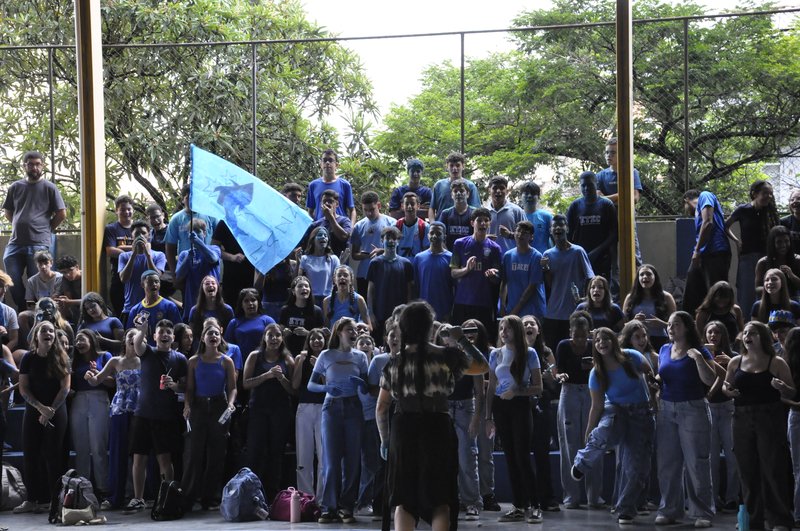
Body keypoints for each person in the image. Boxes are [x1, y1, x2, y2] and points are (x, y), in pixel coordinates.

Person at [376, 302, 489, 531]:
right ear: (430, 327)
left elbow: (382, 407)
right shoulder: (446, 356)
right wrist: (461, 339)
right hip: (437, 427)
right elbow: (482, 366)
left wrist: (386, 440)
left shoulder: (394, 363)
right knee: (440, 497)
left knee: (404, 499)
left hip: (403, 429)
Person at [571, 327, 655, 525]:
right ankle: (582, 462)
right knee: (603, 431)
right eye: (598, 340)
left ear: (613, 340)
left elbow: (650, 375)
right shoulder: (596, 373)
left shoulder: (631, 357)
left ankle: (626, 509)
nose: (602, 343)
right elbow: (597, 406)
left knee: (638, 468)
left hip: (641, 413)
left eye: (605, 339)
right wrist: (588, 430)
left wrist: (654, 398)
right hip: (615, 409)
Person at [723, 321, 795, 531]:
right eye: (745, 332)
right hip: (742, 419)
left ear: (762, 336)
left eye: (752, 333)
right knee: (747, 470)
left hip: (769, 417)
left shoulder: (776, 362)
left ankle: (780, 519)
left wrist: (782, 388)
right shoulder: (736, 362)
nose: (747, 336)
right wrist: (728, 390)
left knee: (773, 468)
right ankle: (753, 519)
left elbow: (791, 392)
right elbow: (728, 386)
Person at [654, 311, 718, 528]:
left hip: (693, 408)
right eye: (669, 324)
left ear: (688, 327)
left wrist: (699, 358)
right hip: (666, 408)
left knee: (697, 463)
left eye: (676, 324)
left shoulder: (699, 351)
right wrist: (656, 381)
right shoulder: (664, 349)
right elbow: (663, 375)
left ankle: (702, 512)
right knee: (667, 463)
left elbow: (710, 379)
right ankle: (670, 509)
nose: (671, 328)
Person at [308, 317, 368, 524]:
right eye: (349, 329)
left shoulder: (360, 357)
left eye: (355, 330)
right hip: (331, 407)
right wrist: (326, 388)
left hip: (353, 407)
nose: (353, 333)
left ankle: (347, 507)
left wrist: (361, 383)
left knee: (352, 461)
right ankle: (329, 508)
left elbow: (367, 386)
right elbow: (311, 385)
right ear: (339, 332)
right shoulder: (326, 355)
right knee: (331, 461)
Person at [485, 315, 544, 524]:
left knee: (522, 456)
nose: (503, 332)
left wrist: (518, 391)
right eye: (501, 328)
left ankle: (535, 505)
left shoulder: (529, 353)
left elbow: (538, 387)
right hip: (501, 407)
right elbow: (491, 387)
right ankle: (519, 505)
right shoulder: (495, 354)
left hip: (519, 405)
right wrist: (487, 416)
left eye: (507, 329)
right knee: (510, 457)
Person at [126, 317, 187, 514]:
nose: (165, 335)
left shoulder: (180, 359)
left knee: (165, 460)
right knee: (139, 458)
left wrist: (174, 385)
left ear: (173, 337)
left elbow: (185, 386)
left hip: (165, 416)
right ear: (155, 336)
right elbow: (136, 344)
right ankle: (138, 498)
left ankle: (167, 495)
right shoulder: (147, 352)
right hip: (142, 414)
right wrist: (142, 329)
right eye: (161, 332)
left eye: (168, 332)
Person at [13, 320, 70, 514]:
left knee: (53, 456)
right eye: (44, 330)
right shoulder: (28, 358)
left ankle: (54, 500)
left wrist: (50, 410)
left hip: (56, 410)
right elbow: (23, 387)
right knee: (30, 454)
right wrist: (40, 408)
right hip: (34, 410)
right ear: (36, 336)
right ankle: (32, 499)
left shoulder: (62, 357)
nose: (48, 333)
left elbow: (65, 388)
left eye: (51, 331)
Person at [182, 318, 237, 511]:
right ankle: (188, 497)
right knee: (194, 453)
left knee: (216, 454)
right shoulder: (194, 361)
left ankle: (210, 498)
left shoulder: (226, 361)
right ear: (203, 338)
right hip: (198, 407)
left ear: (220, 337)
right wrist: (187, 405)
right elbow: (189, 388)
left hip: (218, 406)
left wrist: (230, 404)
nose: (213, 336)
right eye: (209, 333)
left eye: (216, 333)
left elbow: (232, 388)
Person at [83, 328, 140, 510]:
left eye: (136, 335)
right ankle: (115, 496)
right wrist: (90, 376)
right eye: (130, 335)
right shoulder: (116, 361)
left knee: (140, 454)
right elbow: (97, 380)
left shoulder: (145, 360)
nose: (133, 338)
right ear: (124, 341)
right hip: (120, 410)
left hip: (141, 410)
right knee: (118, 453)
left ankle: (141, 495)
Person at [3, 151, 67, 309]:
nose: (34, 167)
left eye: (38, 164)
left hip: (39, 243)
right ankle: (23, 308)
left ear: (43, 166)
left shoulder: (49, 187)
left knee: (36, 279)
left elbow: (61, 213)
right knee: (11, 280)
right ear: (24, 166)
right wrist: (19, 224)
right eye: (30, 164)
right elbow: (8, 211)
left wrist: (47, 228)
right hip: (15, 242)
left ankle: (38, 313)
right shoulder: (15, 187)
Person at [554, 310, 604, 509]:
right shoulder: (564, 346)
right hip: (570, 391)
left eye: (584, 336)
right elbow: (558, 369)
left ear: (589, 333)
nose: (581, 340)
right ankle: (571, 496)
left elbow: (605, 369)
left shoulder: (595, 346)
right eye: (576, 336)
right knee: (569, 444)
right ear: (570, 332)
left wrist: (594, 366)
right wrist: (561, 376)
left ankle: (594, 496)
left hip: (592, 392)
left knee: (593, 441)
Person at [521, 315, 560, 512]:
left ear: (538, 329)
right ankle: (527, 499)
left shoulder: (546, 353)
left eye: (532, 323)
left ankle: (548, 498)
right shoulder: (512, 352)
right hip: (519, 408)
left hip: (540, 406)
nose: (528, 325)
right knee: (522, 455)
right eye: (525, 323)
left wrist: (548, 379)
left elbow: (554, 383)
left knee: (542, 454)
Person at [724, 180, 779, 317]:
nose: (769, 196)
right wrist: (736, 241)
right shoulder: (743, 210)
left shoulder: (770, 212)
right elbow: (726, 226)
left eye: (771, 194)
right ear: (754, 194)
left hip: (767, 257)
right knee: (746, 292)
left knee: (767, 291)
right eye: (765, 193)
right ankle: (747, 326)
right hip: (747, 258)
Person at [702, 320, 740, 513]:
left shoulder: (733, 357)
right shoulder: (701, 356)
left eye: (717, 332)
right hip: (708, 408)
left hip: (727, 408)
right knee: (712, 458)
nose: (713, 336)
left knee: (733, 456)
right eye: (710, 332)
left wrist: (727, 367)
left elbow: (738, 385)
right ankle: (713, 498)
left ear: (723, 335)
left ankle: (732, 497)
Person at [541, 214, 594, 350]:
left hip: (574, 313)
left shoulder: (578, 251)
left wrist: (585, 300)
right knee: (552, 350)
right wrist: (545, 269)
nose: (558, 228)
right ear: (550, 231)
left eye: (561, 225)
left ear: (567, 229)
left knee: (574, 350)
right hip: (552, 313)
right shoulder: (547, 254)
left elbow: (590, 278)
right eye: (554, 226)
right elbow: (550, 284)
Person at [69, 329, 112, 498]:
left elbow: (112, 382)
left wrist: (97, 376)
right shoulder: (74, 361)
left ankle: (103, 487)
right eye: (76, 340)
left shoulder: (105, 356)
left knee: (98, 446)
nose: (78, 343)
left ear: (91, 339)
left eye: (82, 339)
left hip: (99, 399)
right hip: (79, 401)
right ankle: (83, 488)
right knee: (81, 447)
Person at [450, 208, 503, 341]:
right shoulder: (460, 244)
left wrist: (493, 275)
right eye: (479, 220)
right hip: (463, 302)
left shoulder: (495, 248)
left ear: (490, 224)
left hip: (484, 304)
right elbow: (453, 273)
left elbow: (497, 280)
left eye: (486, 221)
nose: (483, 224)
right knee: (460, 341)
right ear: (472, 223)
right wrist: (466, 269)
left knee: (483, 341)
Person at [682, 189, 732, 316]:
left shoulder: (705, 196)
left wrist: (697, 251)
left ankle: (721, 327)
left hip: (716, 252)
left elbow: (708, 223)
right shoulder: (698, 214)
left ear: (686, 200)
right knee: (692, 290)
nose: (686, 211)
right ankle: (693, 326)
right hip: (704, 255)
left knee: (717, 295)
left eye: (685, 206)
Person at [291, 328, 327, 500]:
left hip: (323, 407)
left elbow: (329, 385)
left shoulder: (327, 358)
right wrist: (301, 362)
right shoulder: (301, 358)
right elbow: (296, 385)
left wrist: (318, 369)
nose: (316, 341)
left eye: (319, 338)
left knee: (323, 454)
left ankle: (321, 498)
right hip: (304, 407)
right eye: (312, 338)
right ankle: (306, 497)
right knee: (303, 454)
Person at [566, 171, 617, 281]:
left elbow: (613, 234)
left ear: (596, 184)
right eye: (583, 185)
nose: (586, 189)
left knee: (600, 290)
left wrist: (597, 252)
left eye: (589, 185)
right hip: (580, 257)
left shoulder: (606, 205)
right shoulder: (575, 206)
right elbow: (568, 234)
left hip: (602, 257)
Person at [367, 227, 414, 344]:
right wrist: (370, 313)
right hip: (380, 314)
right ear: (382, 240)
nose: (391, 241)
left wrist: (407, 313)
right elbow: (370, 291)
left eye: (394, 238)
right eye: (388, 238)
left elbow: (409, 291)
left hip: (399, 316)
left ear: (398, 241)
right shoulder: (375, 263)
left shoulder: (406, 264)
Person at [118, 221, 167, 322]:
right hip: (130, 308)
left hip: (154, 306)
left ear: (149, 235)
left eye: (143, 233)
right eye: (136, 234)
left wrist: (148, 255)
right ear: (132, 236)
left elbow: (156, 277)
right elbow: (123, 279)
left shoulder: (159, 255)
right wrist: (133, 254)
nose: (140, 236)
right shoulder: (124, 256)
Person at [164, 183, 217, 274]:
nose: (192, 200)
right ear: (183, 199)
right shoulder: (176, 219)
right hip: (187, 266)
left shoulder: (211, 216)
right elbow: (170, 248)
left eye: (195, 197)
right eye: (188, 197)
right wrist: (174, 274)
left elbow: (218, 241)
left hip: (208, 265)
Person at [175, 219, 221, 321]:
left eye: (198, 231)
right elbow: (178, 276)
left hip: (212, 305)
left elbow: (213, 259)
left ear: (204, 233)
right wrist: (188, 259)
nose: (194, 234)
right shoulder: (184, 254)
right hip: (192, 304)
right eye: (192, 231)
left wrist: (198, 243)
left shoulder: (214, 249)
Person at [622, 264, 676, 351]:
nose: (645, 277)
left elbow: (676, 325)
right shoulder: (630, 297)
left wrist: (661, 324)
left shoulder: (666, 297)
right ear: (638, 278)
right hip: (635, 340)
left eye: (649, 274)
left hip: (660, 340)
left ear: (655, 277)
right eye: (642, 274)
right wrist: (634, 322)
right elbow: (623, 326)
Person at [350, 191, 394, 295]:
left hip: (386, 271)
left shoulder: (392, 223)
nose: (369, 213)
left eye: (372, 209)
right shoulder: (359, 226)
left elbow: (398, 249)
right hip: (364, 273)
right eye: (366, 210)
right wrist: (365, 255)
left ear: (378, 205)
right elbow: (354, 255)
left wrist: (382, 251)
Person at [500, 221, 546, 318]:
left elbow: (531, 288)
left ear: (531, 237)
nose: (520, 234)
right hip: (512, 308)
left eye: (525, 233)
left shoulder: (536, 256)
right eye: (518, 231)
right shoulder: (508, 256)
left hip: (533, 310)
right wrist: (502, 306)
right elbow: (504, 282)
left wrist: (514, 312)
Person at [413, 221, 454, 322]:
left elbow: (454, 287)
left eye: (438, 233)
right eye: (432, 233)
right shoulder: (419, 258)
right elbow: (416, 287)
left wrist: (451, 311)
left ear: (444, 236)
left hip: (444, 311)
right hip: (424, 311)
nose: (434, 236)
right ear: (428, 235)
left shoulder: (451, 257)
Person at [211, 218, 255, 307]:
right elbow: (214, 248)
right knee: (233, 306)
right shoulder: (224, 223)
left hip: (252, 275)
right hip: (232, 276)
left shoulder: (254, 221)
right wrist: (232, 257)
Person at [223, 288, 276, 362]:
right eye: (246, 301)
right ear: (241, 304)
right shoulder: (234, 322)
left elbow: (277, 342)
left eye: (253, 300)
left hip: (263, 363)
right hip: (240, 363)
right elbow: (227, 347)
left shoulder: (267, 320)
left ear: (258, 302)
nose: (250, 303)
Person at [306, 149, 356, 225]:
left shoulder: (345, 185)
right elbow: (310, 211)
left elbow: (352, 210)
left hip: (340, 228)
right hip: (321, 231)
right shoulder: (313, 185)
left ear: (337, 165)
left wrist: (351, 228)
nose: (327, 163)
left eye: (330, 160)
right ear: (321, 164)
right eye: (324, 160)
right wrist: (317, 224)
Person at [125, 270, 182, 337]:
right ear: (142, 285)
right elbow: (129, 334)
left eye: (156, 282)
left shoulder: (169, 306)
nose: (154, 284)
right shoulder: (135, 310)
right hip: (142, 347)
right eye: (150, 282)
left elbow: (178, 330)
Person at [428, 152, 481, 223]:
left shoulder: (470, 186)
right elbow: (432, 208)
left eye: (458, 165)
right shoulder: (439, 185)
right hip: (442, 227)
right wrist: (433, 224)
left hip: (464, 228)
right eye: (451, 165)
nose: (455, 168)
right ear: (447, 167)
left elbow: (476, 210)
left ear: (463, 166)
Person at [104, 195, 135, 315]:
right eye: (122, 209)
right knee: (119, 308)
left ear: (133, 210)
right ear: (116, 210)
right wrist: (132, 251)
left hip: (137, 274)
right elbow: (110, 251)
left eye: (129, 209)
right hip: (118, 274)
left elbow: (146, 248)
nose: (126, 212)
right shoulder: (111, 229)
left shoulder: (138, 227)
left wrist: (121, 249)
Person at [279, 275, 324, 356]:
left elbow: (321, 335)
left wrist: (308, 333)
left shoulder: (317, 311)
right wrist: (284, 332)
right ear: (293, 291)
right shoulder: (285, 310)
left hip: (309, 352)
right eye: (300, 286)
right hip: (289, 351)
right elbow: (280, 330)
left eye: (307, 286)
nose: (304, 288)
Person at [782, 327, 800, 528]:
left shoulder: (784, 365)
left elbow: (785, 398)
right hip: (795, 415)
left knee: (798, 469)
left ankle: (798, 515)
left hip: (794, 416)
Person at [755, 225, 800, 300]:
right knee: (758, 304)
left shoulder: (797, 260)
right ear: (772, 243)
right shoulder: (763, 262)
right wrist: (772, 288)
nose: (783, 245)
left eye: (786, 241)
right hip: (770, 298)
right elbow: (757, 288)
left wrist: (791, 275)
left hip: (792, 298)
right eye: (779, 242)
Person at [298, 227, 340, 307]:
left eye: (325, 235)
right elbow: (299, 279)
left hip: (328, 299)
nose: (323, 237)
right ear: (313, 239)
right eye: (320, 235)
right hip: (310, 298)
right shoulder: (305, 259)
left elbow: (337, 281)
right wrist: (298, 262)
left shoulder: (333, 259)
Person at [302, 190, 352, 256]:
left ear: (337, 204)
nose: (327, 204)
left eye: (330, 201)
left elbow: (344, 236)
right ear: (321, 204)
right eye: (324, 201)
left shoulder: (344, 221)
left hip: (339, 263)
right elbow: (306, 246)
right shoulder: (315, 225)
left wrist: (331, 218)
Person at [694, 280, 745, 346]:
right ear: (712, 297)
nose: (722, 301)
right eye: (719, 297)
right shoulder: (704, 312)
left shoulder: (735, 310)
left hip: (732, 347)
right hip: (711, 347)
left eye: (725, 298)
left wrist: (739, 337)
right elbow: (699, 335)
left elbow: (742, 330)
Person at [187, 275, 234, 343]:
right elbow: (192, 334)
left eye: (213, 283)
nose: (210, 285)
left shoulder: (227, 310)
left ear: (218, 287)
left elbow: (230, 333)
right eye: (207, 283)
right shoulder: (195, 310)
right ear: (202, 288)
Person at [486, 176, 526, 256]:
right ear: (489, 190)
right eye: (494, 188)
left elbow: (527, 236)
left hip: (511, 258)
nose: (498, 191)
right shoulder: (484, 211)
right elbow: (474, 236)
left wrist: (510, 235)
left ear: (507, 191)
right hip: (488, 258)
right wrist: (484, 238)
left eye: (502, 188)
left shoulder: (516, 211)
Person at [323, 265, 370, 330]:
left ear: (351, 280)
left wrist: (359, 326)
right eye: (339, 275)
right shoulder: (327, 301)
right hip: (334, 338)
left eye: (345, 275)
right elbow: (326, 326)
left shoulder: (359, 300)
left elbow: (369, 327)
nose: (342, 277)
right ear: (334, 280)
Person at [436, 178, 475, 251]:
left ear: (468, 194)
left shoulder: (475, 213)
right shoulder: (445, 214)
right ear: (451, 195)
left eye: (461, 191)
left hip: (470, 255)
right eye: (455, 191)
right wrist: (448, 254)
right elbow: (440, 237)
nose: (458, 193)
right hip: (449, 254)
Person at [519, 181, 553, 254]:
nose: (529, 196)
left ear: (538, 197)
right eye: (526, 193)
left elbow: (555, 239)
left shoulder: (546, 216)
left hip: (543, 258)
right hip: (521, 259)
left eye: (533, 193)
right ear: (520, 196)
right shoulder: (517, 215)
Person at [395, 192, 429, 259]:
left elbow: (427, 251)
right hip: (400, 267)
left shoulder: (424, 227)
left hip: (417, 266)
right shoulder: (397, 226)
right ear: (402, 206)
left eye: (412, 204)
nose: (409, 207)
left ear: (418, 206)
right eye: (407, 204)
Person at [53, 255, 82, 325]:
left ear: (77, 267)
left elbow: (91, 299)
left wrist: (69, 302)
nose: (68, 274)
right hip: (75, 308)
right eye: (64, 272)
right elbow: (67, 299)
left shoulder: (86, 276)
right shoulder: (65, 279)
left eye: (70, 270)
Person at [0, 270, 20, 350]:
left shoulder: (9, 311)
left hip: (4, 350)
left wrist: (4, 352)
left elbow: (14, 340)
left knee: (23, 354)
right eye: (0, 286)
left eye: (5, 287)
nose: (4, 291)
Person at [780, 188, 800, 255]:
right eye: (792, 200)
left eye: (799, 199)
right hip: (791, 260)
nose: (795, 201)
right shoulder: (783, 222)